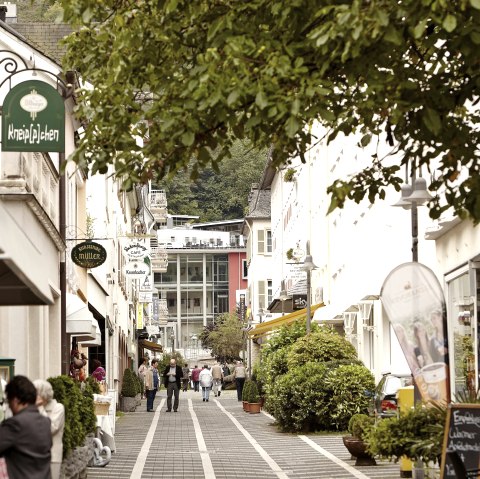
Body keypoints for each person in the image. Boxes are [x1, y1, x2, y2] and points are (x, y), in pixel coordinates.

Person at [0, 375, 52, 479]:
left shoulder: (15, 424)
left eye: (8, 401)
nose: (9, 406)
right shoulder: (45, 422)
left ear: (15, 400)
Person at [33, 379, 65, 479]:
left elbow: (51, 428)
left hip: (53, 456)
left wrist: (40, 408)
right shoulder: (33, 408)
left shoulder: (58, 408)